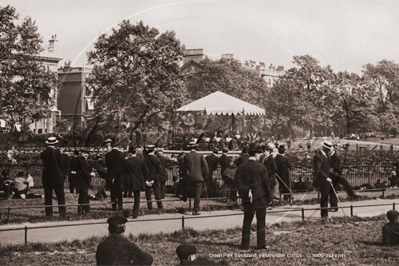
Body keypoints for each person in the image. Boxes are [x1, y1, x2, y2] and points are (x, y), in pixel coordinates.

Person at [235, 143, 272, 250]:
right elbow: (266, 184)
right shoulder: (262, 167)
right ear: (255, 155)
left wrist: (247, 190)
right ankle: (261, 244)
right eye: (259, 154)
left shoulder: (241, 167)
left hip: (248, 198)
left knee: (247, 221)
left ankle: (244, 245)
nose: (260, 155)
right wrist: (269, 198)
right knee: (261, 222)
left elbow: (237, 182)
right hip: (261, 198)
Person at [40, 136, 66, 218]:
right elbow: (61, 164)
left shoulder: (43, 153)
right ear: (55, 143)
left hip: (47, 177)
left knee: (48, 196)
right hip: (57, 177)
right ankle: (62, 214)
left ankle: (49, 214)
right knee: (60, 196)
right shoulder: (57, 153)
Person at [182, 144, 209, 215]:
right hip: (199, 177)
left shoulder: (186, 156)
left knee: (188, 189)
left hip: (189, 177)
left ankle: (184, 197)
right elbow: (206, 167)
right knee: (197, 194)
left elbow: (183, 168)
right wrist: (205, 176)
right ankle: (196, 210)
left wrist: (184, 176)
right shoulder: (200, 156)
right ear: (196, 148)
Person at [105, 139, 130, 211]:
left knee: (112, 191)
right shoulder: (121, 154)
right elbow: (124, 166)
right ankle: (120, 206)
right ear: (117, 146)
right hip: (119, 175)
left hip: (111, 175)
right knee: (119, 192)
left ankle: (114, 206)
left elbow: (108, 166)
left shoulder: (107, 155)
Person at [313, 140, 336, 219]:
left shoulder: (327, 155)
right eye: (327, 149)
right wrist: (326, 177)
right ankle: (324, 216)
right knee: (324, 197)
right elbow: (318, 170)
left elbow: (329, 165)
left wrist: (331, 169)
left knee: (329, 195)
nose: (328, 151)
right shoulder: (317, 156)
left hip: (329, 178)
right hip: (323, 179)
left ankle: (326, 214)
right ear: (324, 148)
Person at [126, 146, 150, 219]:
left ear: (129, 152)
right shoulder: (141, 161)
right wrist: (145, 179)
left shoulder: (127, 161)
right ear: (135, 152)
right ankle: (135, 214)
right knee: (137, 198)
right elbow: (147, 171)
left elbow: (124, 172)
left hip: (130, 180)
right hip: (138, 181)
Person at [143, 145, 163, 210]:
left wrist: (146, 180)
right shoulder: (157, 159)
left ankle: (150, 207)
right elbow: (159, 170)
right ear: (154, 150)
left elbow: (142, 170)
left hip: (147, 179)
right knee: (157, 192)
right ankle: (160, 206)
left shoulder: (143, 159)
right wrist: (153, 179)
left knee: (148, 194)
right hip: (155, 179)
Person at [76, 148, 93, 215]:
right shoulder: (80, 161)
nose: (86, 155)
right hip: (82, 180)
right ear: (81, 153)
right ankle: (87, 210)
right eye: (84, 153)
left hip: (85, 181)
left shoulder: (85, 161)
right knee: (84, 195)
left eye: (87, 153)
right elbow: (82, 172)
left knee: (82, 196)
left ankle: (80, 211)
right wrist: (90, 174)